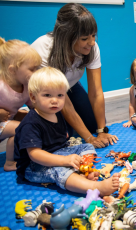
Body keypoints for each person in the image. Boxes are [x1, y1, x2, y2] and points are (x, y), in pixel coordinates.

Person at [14, 67, 120, 196]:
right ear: (33, 97)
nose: (55, 100)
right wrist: (64, 161)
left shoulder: (56, 112)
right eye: (47, 95)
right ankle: (94, 187)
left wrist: (69, 157)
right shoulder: (30, 123)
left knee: (87, 146)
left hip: (58, 152)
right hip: (34, 165)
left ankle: (83, 171)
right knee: (60, 171)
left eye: (60, 95)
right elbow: (35, 154)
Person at [31, 3, 118, 149]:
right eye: (84, 38)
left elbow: (96, 91)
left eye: (93, 36)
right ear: (66, 36)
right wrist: (89, 138)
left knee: (93, 124)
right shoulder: (43, 50)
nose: (91, 42)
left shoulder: (92, 48)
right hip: (45, 93)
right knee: (62, 134)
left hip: (69, 86)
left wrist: (101, 131)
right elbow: (61, 99)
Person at [0, 37, 41, 171]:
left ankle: (12, 160)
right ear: (12, 70)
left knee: (28, 122)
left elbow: (34, 106)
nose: (36, 73)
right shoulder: (1, 86)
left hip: (6, 122)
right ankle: (11, 163)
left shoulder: (26, 85)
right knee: (22, 127)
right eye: (32, 69)